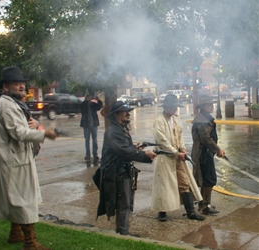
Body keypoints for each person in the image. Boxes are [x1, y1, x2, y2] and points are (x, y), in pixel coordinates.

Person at [0, 66, 57, 250]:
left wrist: (35, 124)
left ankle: (15, 233)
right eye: (16, 83)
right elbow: (19, 132)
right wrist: (44, 133)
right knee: (24, 199)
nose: (21, 86)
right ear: (5, 87)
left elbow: (23, 125)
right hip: (14, 160)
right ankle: (29, 242)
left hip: (18, 158)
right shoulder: (7, 105)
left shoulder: (13, 103)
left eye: (22, 83)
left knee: (18, 197)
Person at [95, 101, 157, 235]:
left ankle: (123, 231)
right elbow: (123, 150)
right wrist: (144, 155)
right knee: (123, 204)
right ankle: (123, 233)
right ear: (117, 114)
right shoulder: (113, 130)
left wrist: (135, 148)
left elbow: (125, 149)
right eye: (125, 111)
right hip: (116, 173)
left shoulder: (120, 128)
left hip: (122, 171)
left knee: (126, 203)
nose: (128, 113)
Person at [151, 94, 205, 222]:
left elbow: (179, 136)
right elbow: (162, 141)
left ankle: (190, 212)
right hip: (165, 158)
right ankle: (162, 212)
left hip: (178, 157)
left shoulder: (176, 119)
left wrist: (182, 149)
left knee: (184, 183)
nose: (175, 109)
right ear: (167, 107)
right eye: (174, 107)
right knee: (164, 185)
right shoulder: (159, 121)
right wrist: (176, 153)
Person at [191, 95, 225, 215]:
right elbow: (205, 138)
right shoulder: (201, 120)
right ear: (204, 107)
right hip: (203, 153)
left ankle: (203, 203)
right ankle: (206, 206)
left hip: (205, 153)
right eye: (209, 105)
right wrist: (217, 150)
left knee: (205, 179)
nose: (211, 106)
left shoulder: (204, 118)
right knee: (209, 179)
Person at [80, 93, 103, 163]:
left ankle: (95, 154)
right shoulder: (83, 104)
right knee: (87, 140)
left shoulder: (93, 104)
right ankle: (87, 155)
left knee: (94, 140)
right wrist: (87, 101)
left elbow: (99, 107)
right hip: (86, 125)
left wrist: (98, 100)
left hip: (94, 124)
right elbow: (82, 109)